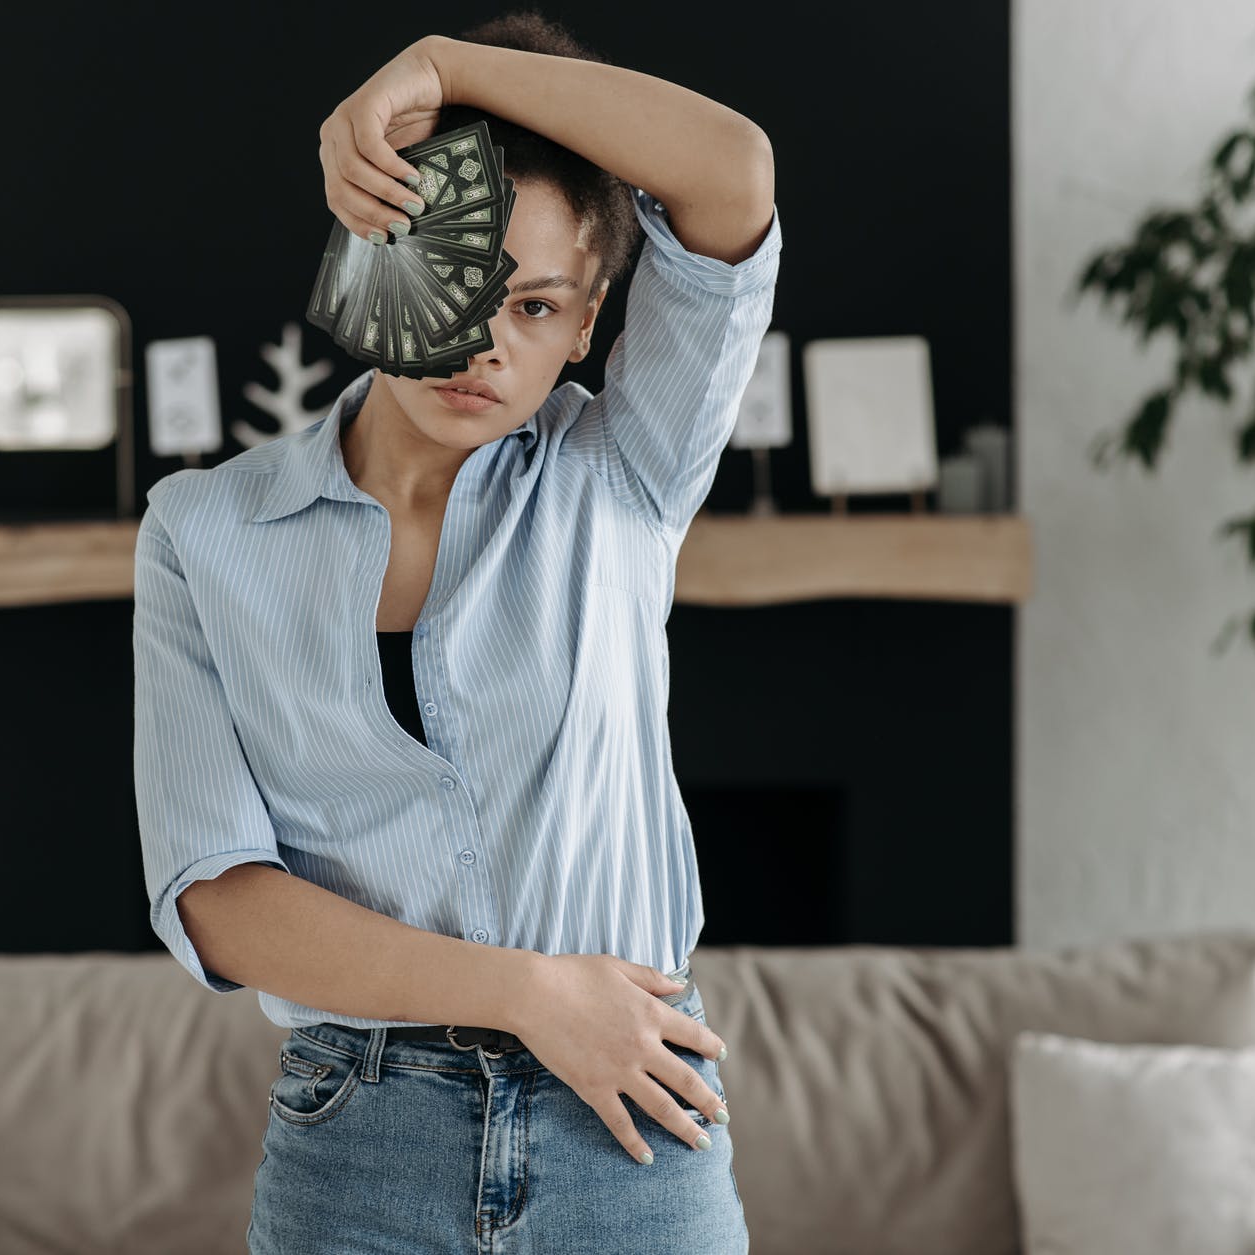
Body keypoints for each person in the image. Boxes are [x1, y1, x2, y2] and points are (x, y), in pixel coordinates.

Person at [133, 12, 779, 1251]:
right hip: (356, 1150)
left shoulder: (624, 475)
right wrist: (532, 996)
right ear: (378, 249)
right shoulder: (202, 531)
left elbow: (732, 170)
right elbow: (217, 900)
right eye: (457, 280)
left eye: (538, 306)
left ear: (587, 324)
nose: (487, 342)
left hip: (633, 1130)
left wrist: (442, 67)